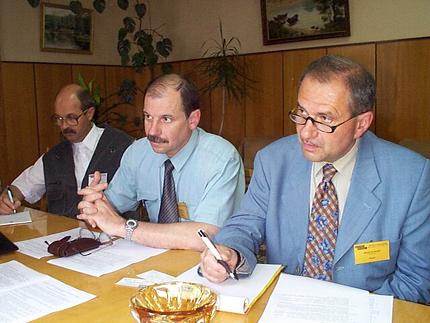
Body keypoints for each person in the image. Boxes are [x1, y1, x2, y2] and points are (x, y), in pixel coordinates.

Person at [199, 55, 430, 304]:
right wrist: (231, 251)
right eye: (301, 113)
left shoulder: (411, 176)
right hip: (282, 307)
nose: (306, 132)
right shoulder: (273, 161)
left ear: (361, 123)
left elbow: (416, 280)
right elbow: (245, 225)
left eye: (324, 119)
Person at [77, 74, 245, 251]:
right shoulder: (138, 153)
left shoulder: (222, 159)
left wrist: (124, 228)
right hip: (155, 262)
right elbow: (112, 207)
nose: (152, 130)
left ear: (193, 119)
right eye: (148, 117)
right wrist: (95, 208)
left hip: (212, 266)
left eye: (166, 119)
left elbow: (205, 237)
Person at [0, 84, 134, 218]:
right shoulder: (53, 157)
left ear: (89, 113)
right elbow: (20, 188)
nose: (64, 126)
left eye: (71, 118)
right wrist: (8, 198)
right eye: (59, 119)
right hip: (62, 236)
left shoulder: (125, 147)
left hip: (113, 235)